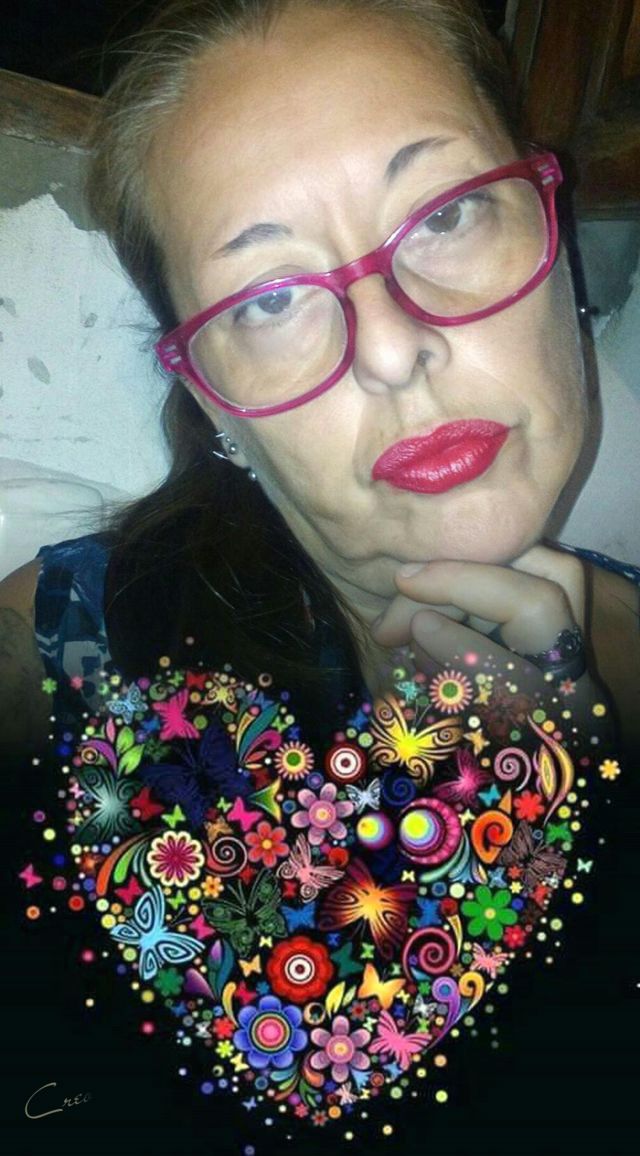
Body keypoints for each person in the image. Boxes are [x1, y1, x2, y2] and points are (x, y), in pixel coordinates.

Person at [2, 2, 639, 1154]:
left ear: (553, 234)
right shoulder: (77, 644)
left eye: (445, 215)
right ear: (213, 401)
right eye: (270, 300)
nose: (393, 348)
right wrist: (492, 789)